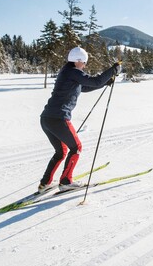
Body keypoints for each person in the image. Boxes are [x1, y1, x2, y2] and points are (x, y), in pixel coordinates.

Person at [38, 46, 121, 193]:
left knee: (61, 151)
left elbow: (85, 87)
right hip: (59, 118)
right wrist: (113, 70)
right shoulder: (73, 72)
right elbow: (94, 81)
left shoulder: (67, 72)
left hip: (47, 119)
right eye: (84, 62)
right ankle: (65, 182)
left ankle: (45, 183)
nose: (85, 65)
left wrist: (104, 83)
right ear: (78, 61)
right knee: (76, 148)